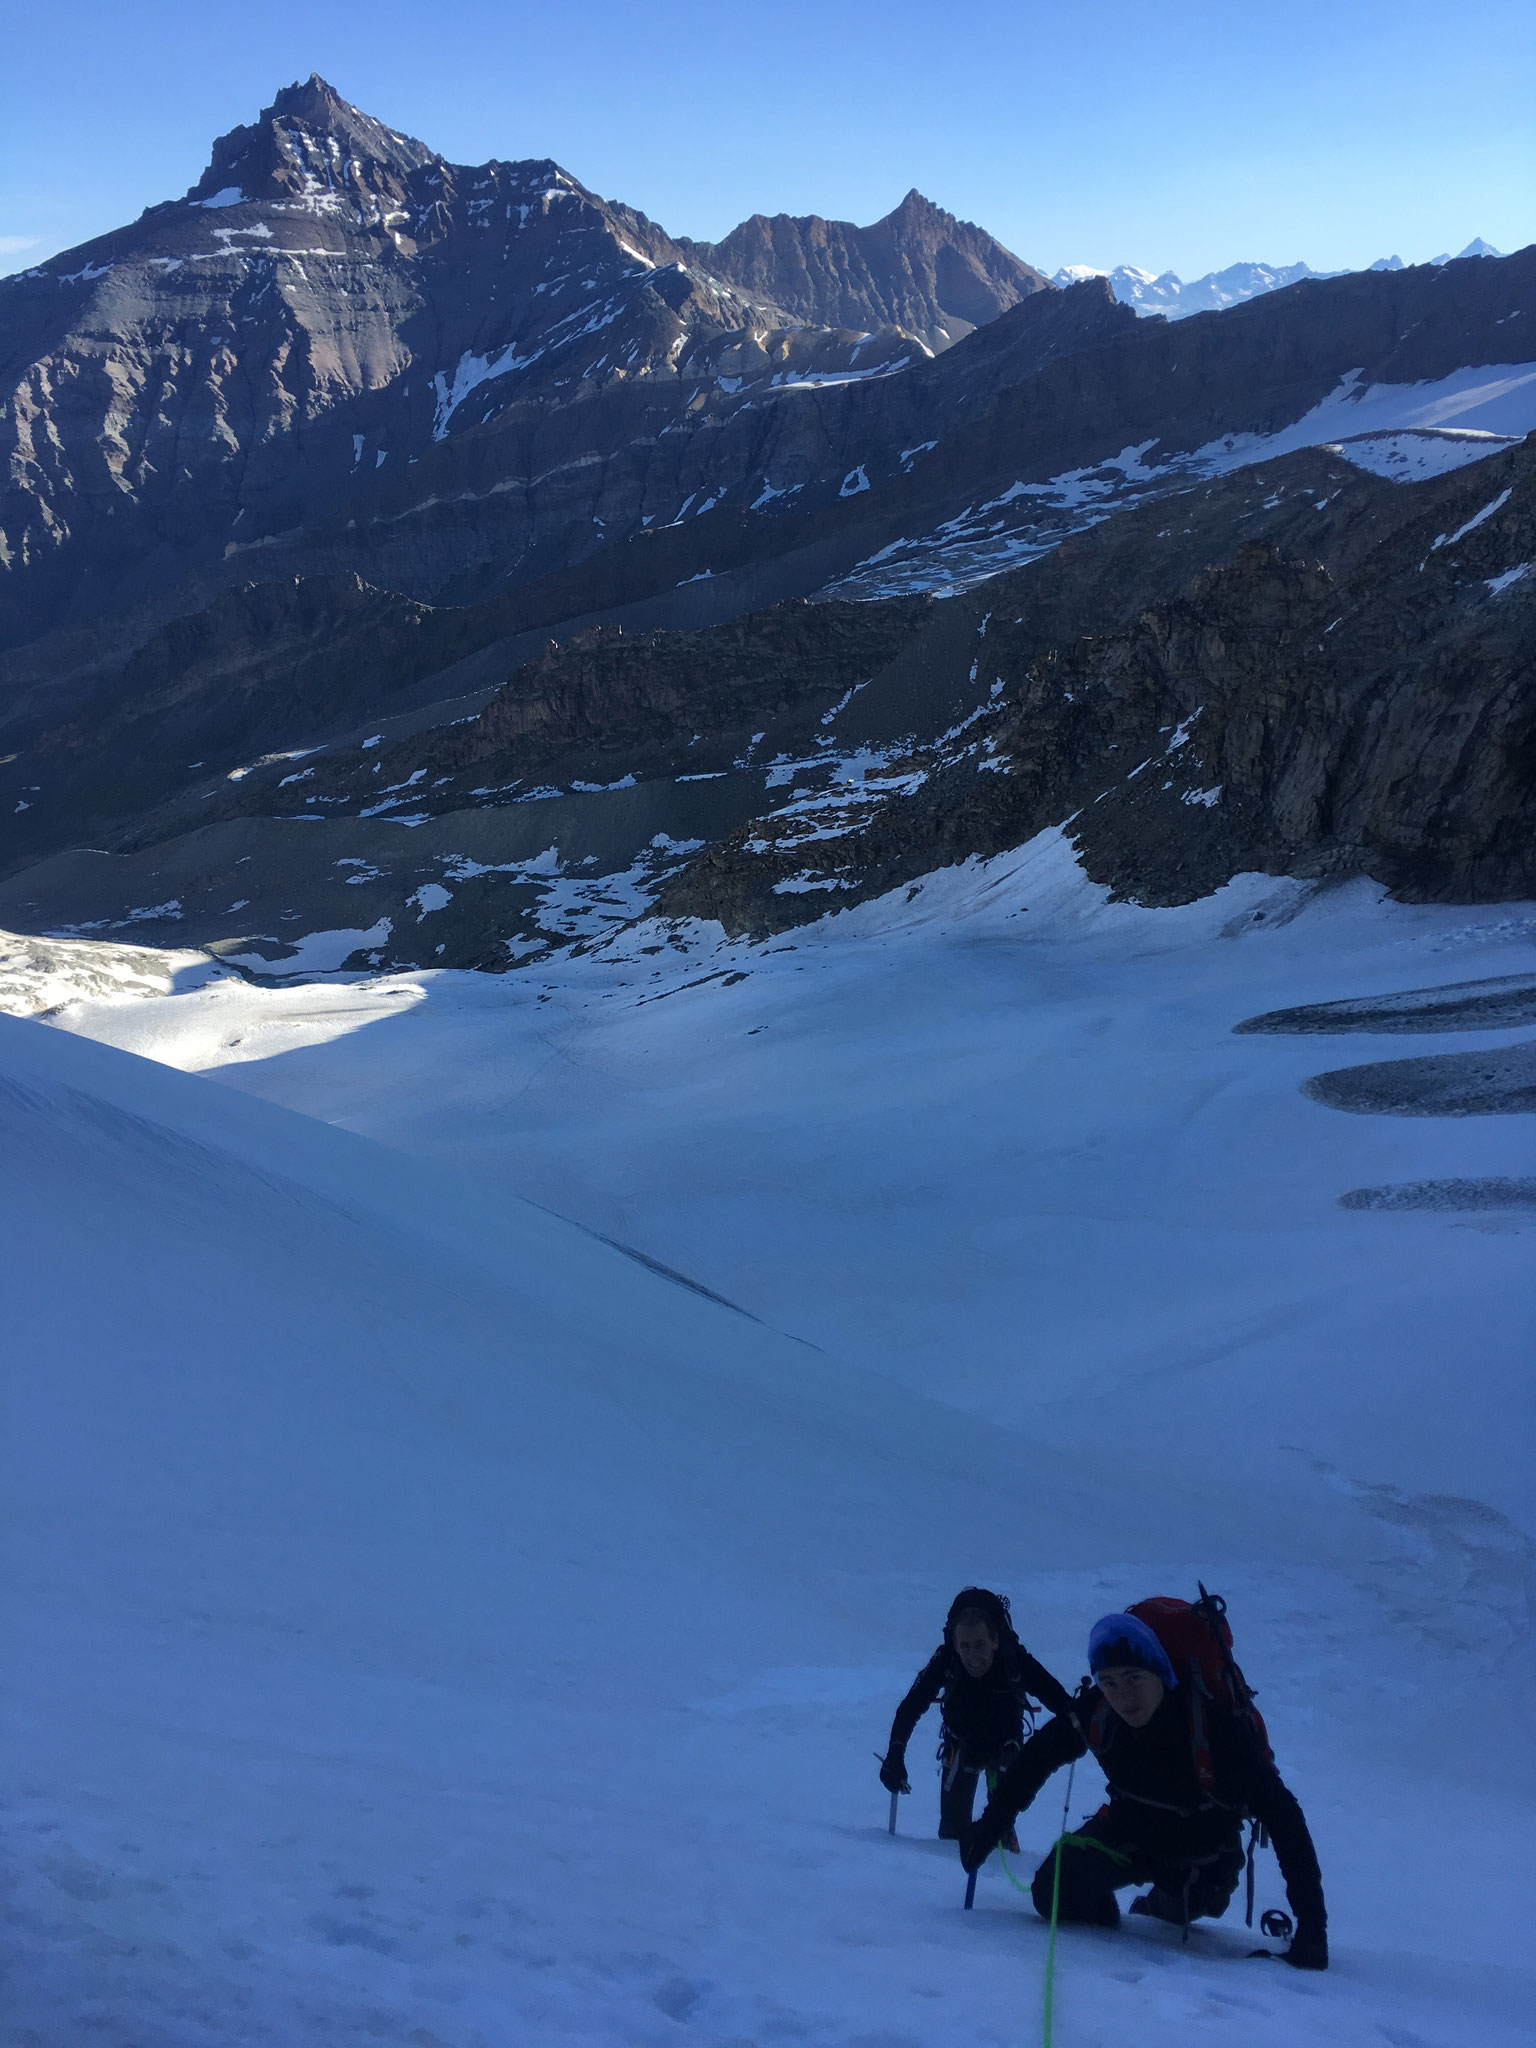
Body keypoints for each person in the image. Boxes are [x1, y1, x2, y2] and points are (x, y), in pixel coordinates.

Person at [956, 1609, 1328, 1969]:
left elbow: (1283, 1815)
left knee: (1175, 1914)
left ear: (1160, 1674)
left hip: (1204, 1856)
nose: (1123, 1696)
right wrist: (989, 1829)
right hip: (1129, 1833)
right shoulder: (1098, 1710)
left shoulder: (1213, 1729)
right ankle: (1131, 1915)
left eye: (1134, 1678)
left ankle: (1156, 1907)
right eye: (1110, 1682)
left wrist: (1312, 1929)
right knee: (1052, 1891)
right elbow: (1036, 1759)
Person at [878, 1588, 1075, 1840]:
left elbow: (1061, 1703)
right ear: (956, 1645)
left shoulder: (1015, 1659)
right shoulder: (946, 1659)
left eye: (980, 1644)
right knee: (953, 1833)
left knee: (998, 1831)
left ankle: (1001, 1855)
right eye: (965, 1646)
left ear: (995, 1641)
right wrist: (895, 1752)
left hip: (1005, 1747)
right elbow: (911, 1706)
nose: (973, 1655)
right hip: (961, 1745)